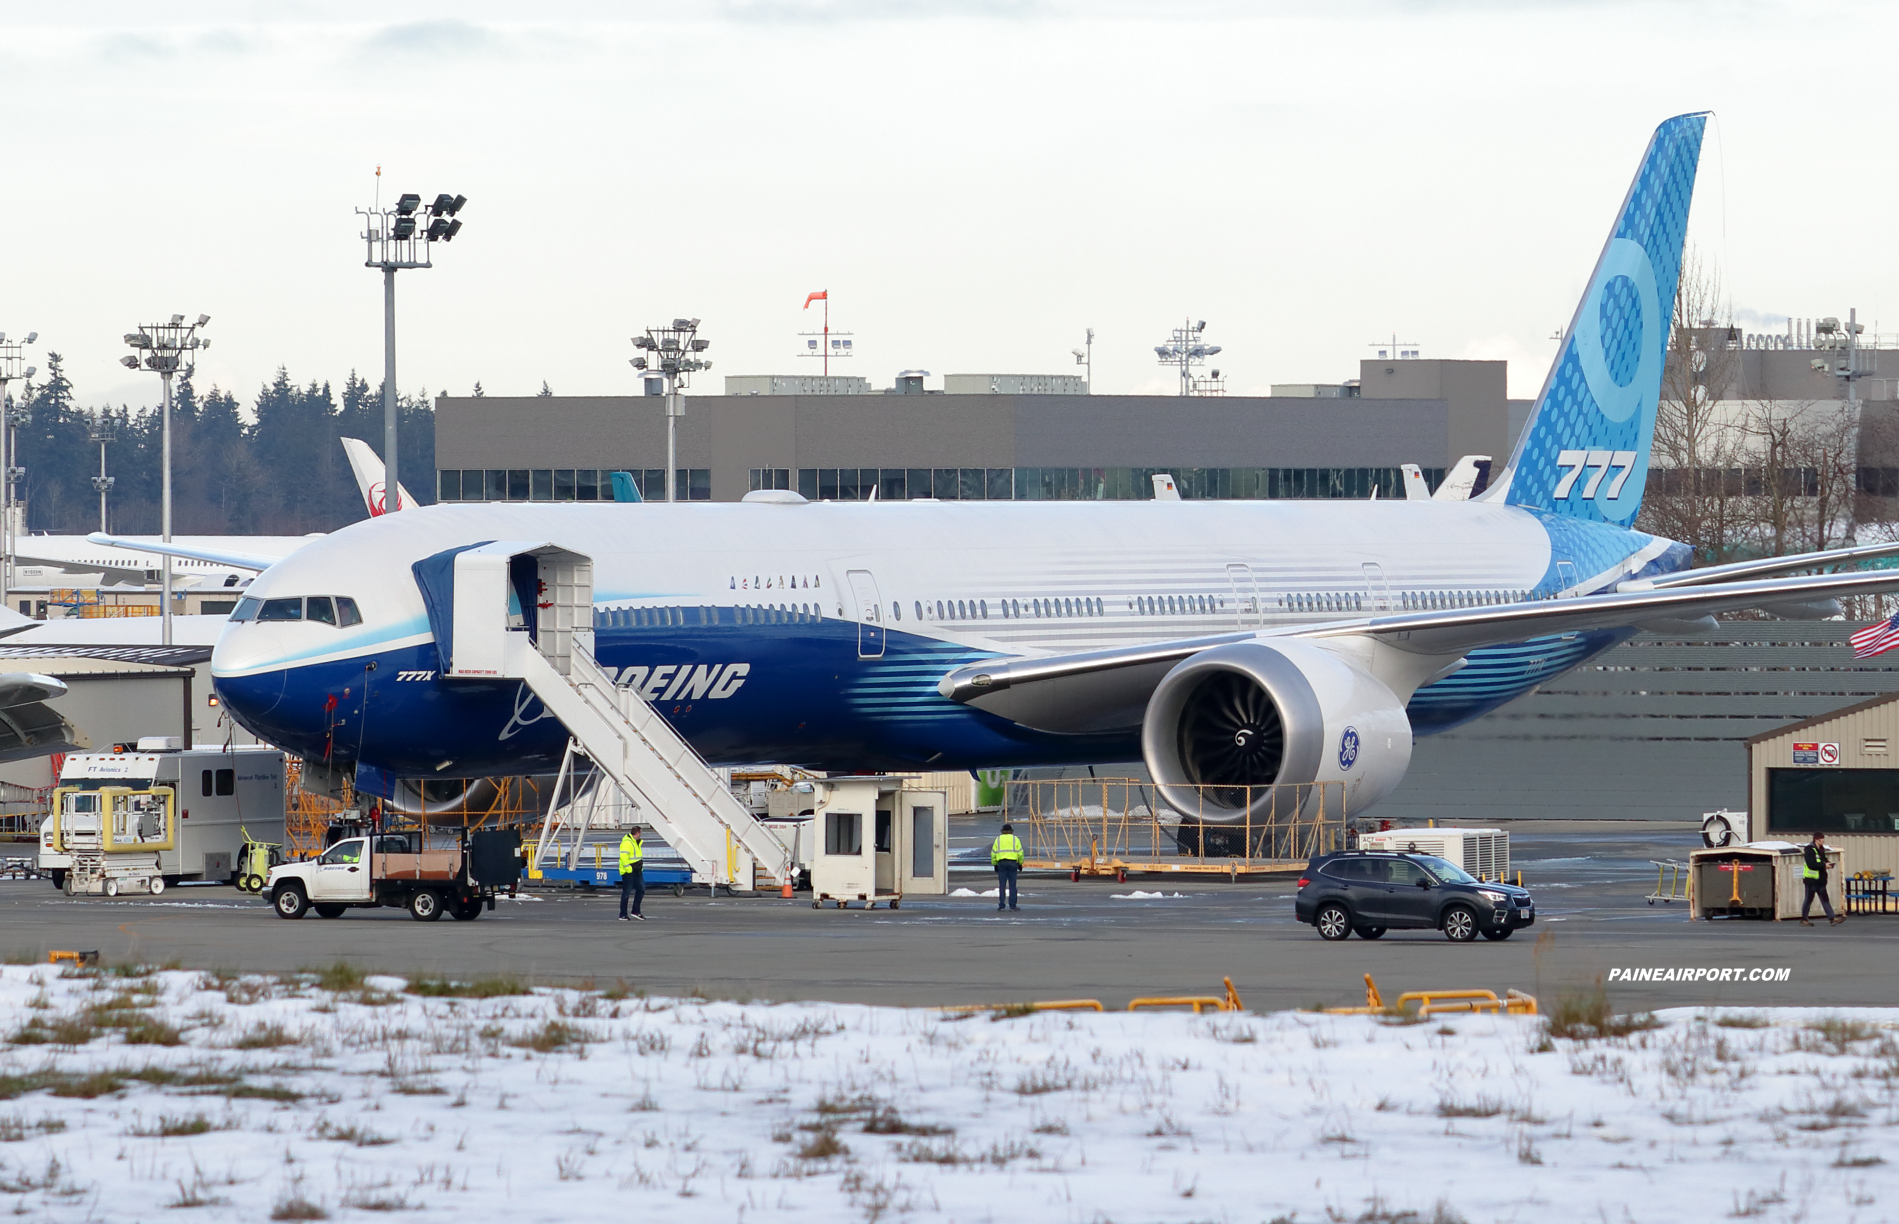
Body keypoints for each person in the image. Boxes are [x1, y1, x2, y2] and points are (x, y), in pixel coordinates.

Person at [1800, 831, 1842, 926]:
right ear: (1816, 840)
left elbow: (1823, 859)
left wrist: (1828, 864)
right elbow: (1811, 864)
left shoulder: (1821, 849)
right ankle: (1804, 919)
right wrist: (1824, 865)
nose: (1822, 841)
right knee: (1808, 899)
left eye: (1823, 839)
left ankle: (1832, 918)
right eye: (1820, 839)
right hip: (1811, 880)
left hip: (1820, 880)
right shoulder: (1809, 850)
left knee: (1825, 899)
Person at [990, 822, 1024, 911]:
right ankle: (1012, 906)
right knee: (1012, 885)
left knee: (1002, 885)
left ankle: (1001, 905)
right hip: (1013, 863)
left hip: (1001, 863)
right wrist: (1020, 863)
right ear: (1011, 831)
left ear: (1002, 831)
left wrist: (994, 864)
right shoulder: (1015, 839)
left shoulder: (998, 839)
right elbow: (1020, 853)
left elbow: (993, 853)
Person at [618, 825, 646, 922]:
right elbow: (623, 857)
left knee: (641, 889)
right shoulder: (627, 843)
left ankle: (635, 911)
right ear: (638, 833)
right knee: (626, 893)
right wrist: (628, 869)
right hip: (628, 872)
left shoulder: (636, 842)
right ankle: (622, 914)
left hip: (637, 870)